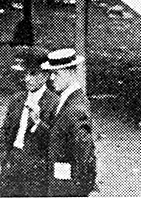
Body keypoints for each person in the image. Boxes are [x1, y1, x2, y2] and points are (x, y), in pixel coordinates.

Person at [0, 47, 58, 198]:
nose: (27, 79)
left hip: (36, 168)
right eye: (26, 74)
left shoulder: (54, 103)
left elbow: (56, 141)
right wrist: (4, 157)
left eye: (33, 74)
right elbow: (5, 130)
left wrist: (38, 123)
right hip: (12, 162)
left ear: (45, 75)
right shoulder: (17, 99)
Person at [43, 48, 97, 197]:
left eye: (56, 73)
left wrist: (78, 191)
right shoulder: (69, 98)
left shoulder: (75, 109)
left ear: (71, 73)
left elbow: (84, 155)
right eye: (51, 73)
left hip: (67, 189)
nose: (51, 78)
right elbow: (62, 134)